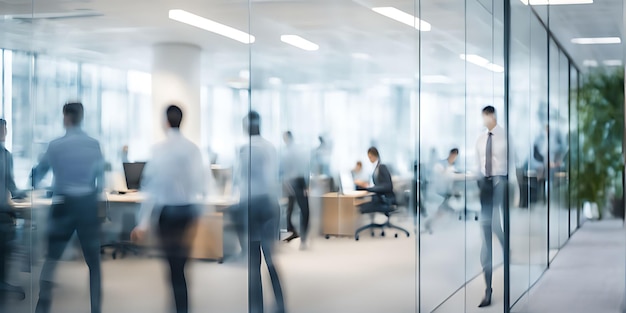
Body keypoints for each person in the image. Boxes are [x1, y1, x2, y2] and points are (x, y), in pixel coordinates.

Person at [32, 102, 105, 313]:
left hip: (64, 205)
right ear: (81, 117)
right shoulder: (94, 144)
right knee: (94, 263)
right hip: (86, 206)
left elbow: (38, 175)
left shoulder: (55, 145)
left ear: (66, 118)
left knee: (51, 259)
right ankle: (96, 309)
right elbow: (100, 179)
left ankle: (42, 308)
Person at [131, 105, 204, 313]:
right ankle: (181, 306)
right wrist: (200, 211)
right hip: (187, 211)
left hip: (168, 214)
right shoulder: (192, 149)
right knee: (179, 264)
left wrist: (143, 222)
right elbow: (200, 183)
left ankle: (180, 306)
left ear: (165, 122)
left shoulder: (158, 150)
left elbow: (151, 188)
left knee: (174, 266)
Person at [236, 111, 285, 313]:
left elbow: (240, 181)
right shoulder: (270, 147)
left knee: (253, 263)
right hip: (270, 205)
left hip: (252, 206)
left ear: (246, 127)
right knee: (270, 259)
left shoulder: (243, 149)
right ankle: (281, 305)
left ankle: (256, 308)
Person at [474, 105, 506, 308]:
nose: (485, 119)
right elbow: (478, 164)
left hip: (500, 183)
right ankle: (488, 288)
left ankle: (505, 246)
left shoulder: (504, 137)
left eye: (487, 115)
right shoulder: (480, 139)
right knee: (487, 228)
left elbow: (510, 164)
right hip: (484, 185)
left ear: (493, 115)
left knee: (493, 223)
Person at [0, 119, 26, 300]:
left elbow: (11, 185)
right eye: (2, 129)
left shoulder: (6, 155)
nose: (4, 133)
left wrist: (25, 193)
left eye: (5, 129)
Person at [280, 131, 310, 249]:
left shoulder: (288, 152)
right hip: (296, 182)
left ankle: (293, 232)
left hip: (294, 182)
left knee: (292, 209)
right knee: (303, 211)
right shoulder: (293, 151)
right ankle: (300, 236)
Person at [423, 148, 460, 234]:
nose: (454, 157)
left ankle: (433, 223)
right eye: (454, 155)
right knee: (445, 208)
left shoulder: (454, 165)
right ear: (451, 154)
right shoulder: (441, 164)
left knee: (445, 208)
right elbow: (441, 174)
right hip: (441, 190)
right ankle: (431, 223)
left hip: (449, 190)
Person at [355, 147, 395, 213]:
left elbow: (388, 186)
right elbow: (379, 184)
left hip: (385, 199)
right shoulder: (376, 168)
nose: (369, 159)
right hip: (379, 198)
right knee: (360, 206)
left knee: (360, 208)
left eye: (370, 157)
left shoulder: (382, 167)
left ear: (374, 155)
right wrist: (367, 186)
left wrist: (369, 188)